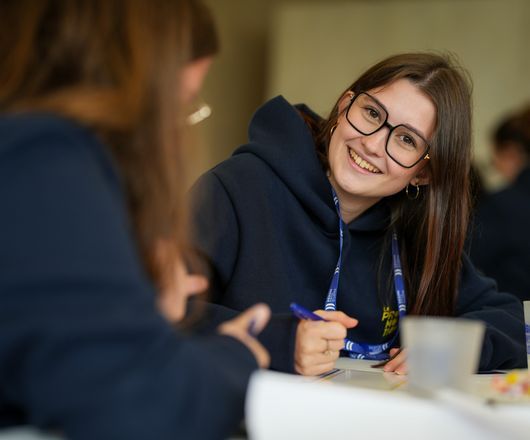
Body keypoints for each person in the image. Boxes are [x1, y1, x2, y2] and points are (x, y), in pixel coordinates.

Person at [0, 1, 271, 439]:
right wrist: (237, 355)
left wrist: (141, 311)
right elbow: (140, 407)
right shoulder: (45, 162)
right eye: (181, 104)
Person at [189, 52, 527, 377]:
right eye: (372, 114)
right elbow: (165, 309)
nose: (373, 144)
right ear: (344, 106)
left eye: (406, 140)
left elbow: (507, 317)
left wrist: (457, 347)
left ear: (423, 174)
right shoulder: (238, 186)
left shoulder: (412, 235)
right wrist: (277, 341)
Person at [469, 106, 530, 302]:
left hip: (514, 314)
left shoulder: (502, 206)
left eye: (494, 159)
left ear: (510, 152)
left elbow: (464, 261)